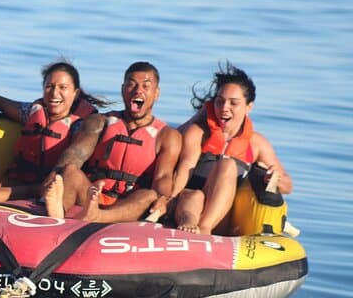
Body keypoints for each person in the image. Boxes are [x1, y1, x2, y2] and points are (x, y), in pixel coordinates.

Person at [42, 61, 182, 223]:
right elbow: (76, 153)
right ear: (123, 90)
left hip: (130, 203)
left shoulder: (167, 135)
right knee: (70, 171)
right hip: (93, 194)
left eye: (145, 86)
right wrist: (53, 179)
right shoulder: (99, 121)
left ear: (156, 93)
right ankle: (56, 214)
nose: (138, 90)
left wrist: (163, 199)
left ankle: (98, 216)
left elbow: (163, 177)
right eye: (131, 84)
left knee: (149, 195)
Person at [0, 61, 108, 203]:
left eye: (63, 87)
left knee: (23, 189)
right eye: (50, 86)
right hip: (20, 181)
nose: (54, 93)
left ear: (75, 93)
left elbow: (78, 153)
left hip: (52, 187)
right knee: (1, 186)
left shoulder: (81, 124)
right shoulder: (30, 112)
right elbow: (0, 103)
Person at [172, 62, 293, 234]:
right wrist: (168, 201)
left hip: (223, 217)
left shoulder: (257, 143)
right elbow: (184, 168)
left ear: (248, 107)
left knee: (227, 165)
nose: (224, 108)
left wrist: (275, 179)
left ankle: (204, 228)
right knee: (194, 196)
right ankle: (191, 225)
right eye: (219, 102)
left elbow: (288, 185)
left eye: (233, 103)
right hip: (186, 208)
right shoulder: (198, 132)